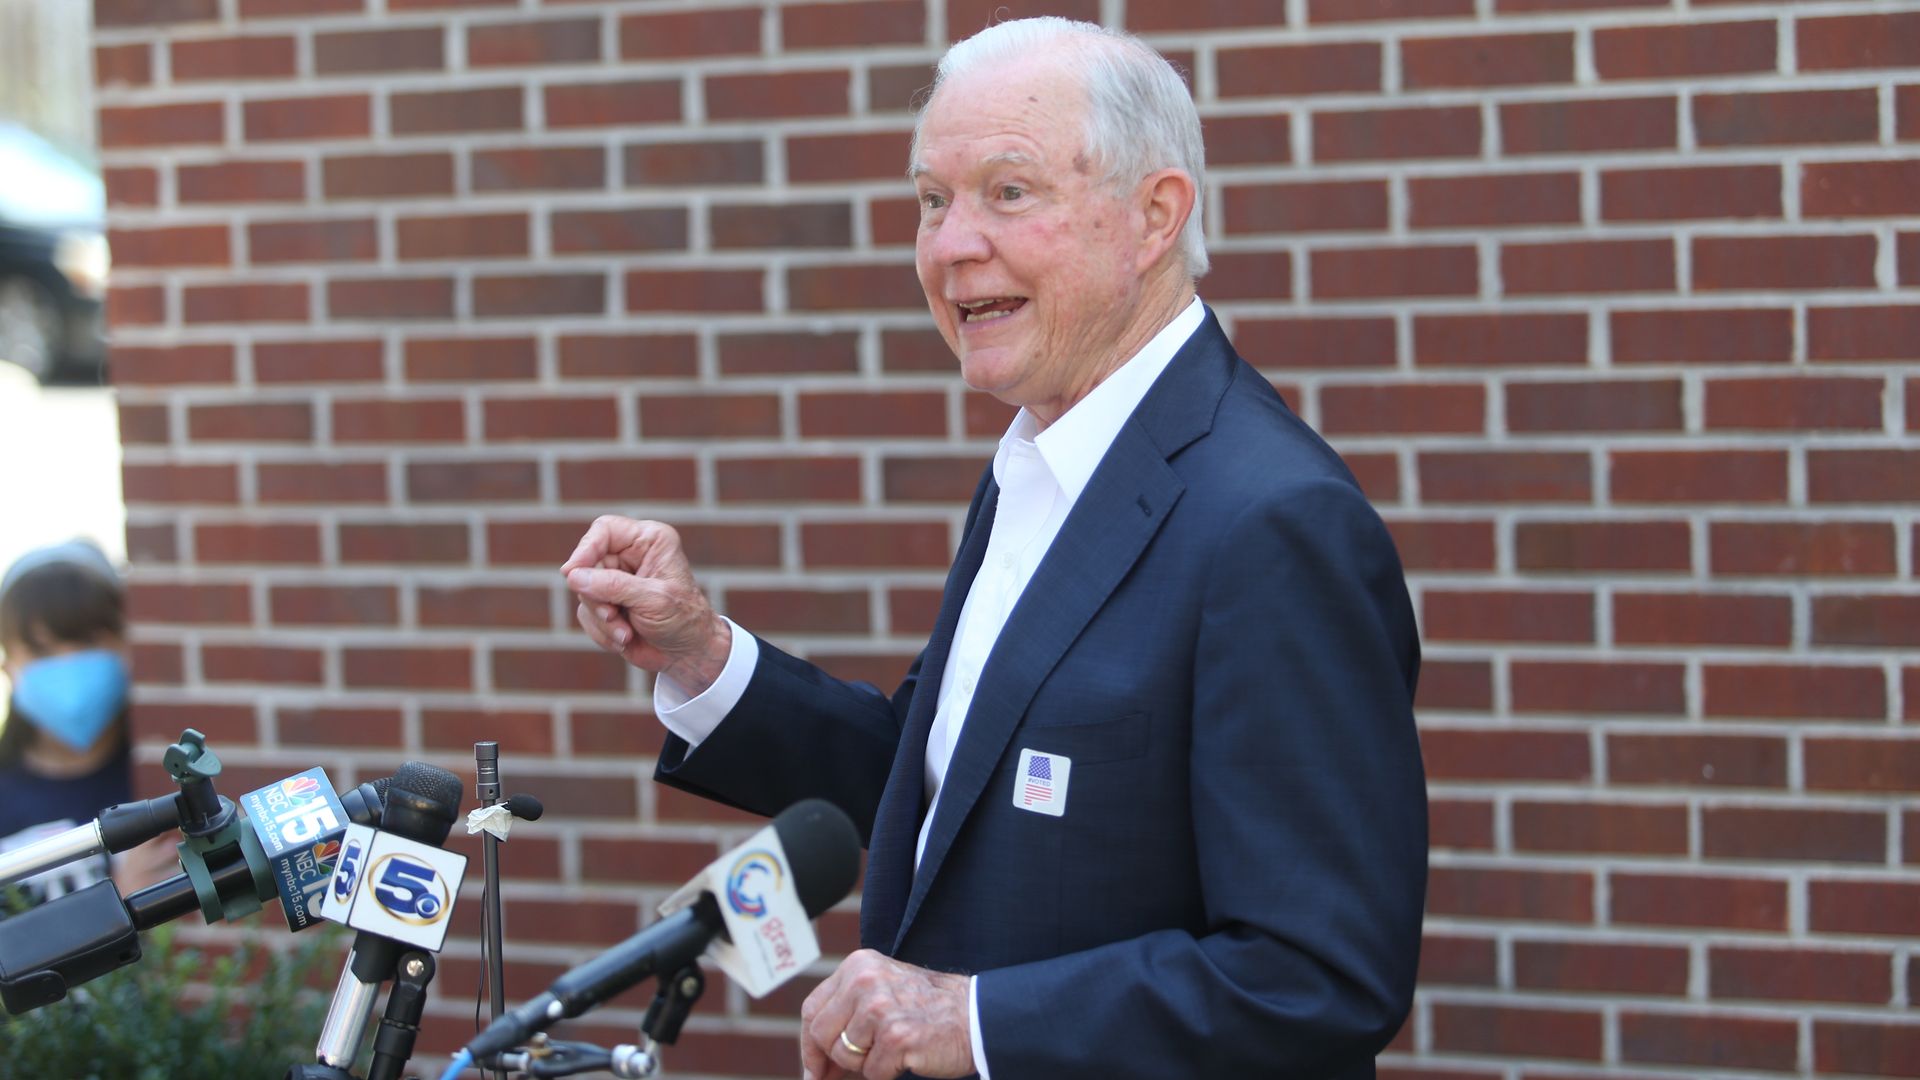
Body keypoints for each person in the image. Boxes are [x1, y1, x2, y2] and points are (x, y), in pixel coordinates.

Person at [563, 17, 1426, 1080]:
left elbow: (1319, 974)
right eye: (933, 200)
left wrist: (969, 1022)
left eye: (1009, 192)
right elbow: (946, 786)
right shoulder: (1041, 463)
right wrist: (701, 658)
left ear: (1154, 216)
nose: (951, 244)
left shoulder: (1272, 523)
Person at [0, 538, 164, 906]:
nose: (68, 663)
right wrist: (115, 905)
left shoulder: (158, 773)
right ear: (8, 665)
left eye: (88, 641)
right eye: (42, 650)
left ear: (126, 645)